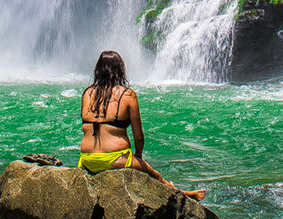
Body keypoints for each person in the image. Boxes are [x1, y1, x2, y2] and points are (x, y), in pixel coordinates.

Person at [79, 50, 204, 200]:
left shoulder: (87, 93)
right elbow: (138, 136)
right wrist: (138, 157)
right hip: (116, 159)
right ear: (120, 70)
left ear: (98, 70)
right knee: (154, 175)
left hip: (87, 159)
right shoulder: (127, 95)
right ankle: (183, 194)